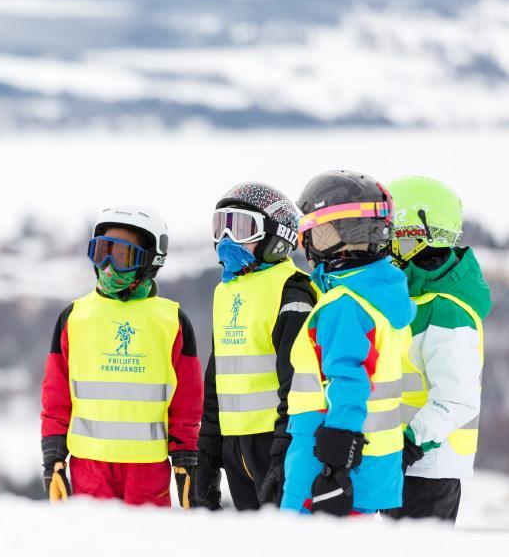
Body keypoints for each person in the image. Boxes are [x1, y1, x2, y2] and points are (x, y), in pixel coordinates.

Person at [40, 205, 203, 507]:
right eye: (102, 250)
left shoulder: (171, 322)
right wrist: (54, 457)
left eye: (121, 255)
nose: (107, 265)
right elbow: (56, 398)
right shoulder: (74, 318)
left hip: (147, 471)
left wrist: (185, 459)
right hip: (89, 467)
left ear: (149, 261)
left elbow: (187, 403)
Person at [281, 170, 415, 516]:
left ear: (336, 239)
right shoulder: (382, 292)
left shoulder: (346, 303)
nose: (305, 244)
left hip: (326, 460)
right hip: (373, 460)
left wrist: (334, 463)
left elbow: (349, 379)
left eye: (314, 232)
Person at [197, 183, 316, 511]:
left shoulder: (291, 294)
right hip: (236, 445)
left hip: (274, 442)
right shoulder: (225, 293)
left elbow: (299, 384)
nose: (225, 240)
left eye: (239, 229)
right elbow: (216, 380)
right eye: (220, 227)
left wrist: (284, 448)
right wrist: (206, 455)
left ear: (276, 238)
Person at [381, 176, 490, 523]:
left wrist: (408, 445)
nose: (386, 246)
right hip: (396, 461)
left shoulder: (447, 311)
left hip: (427, 467)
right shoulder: (410, 301)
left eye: (395, 235)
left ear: (422, 237)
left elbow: (457, 398)